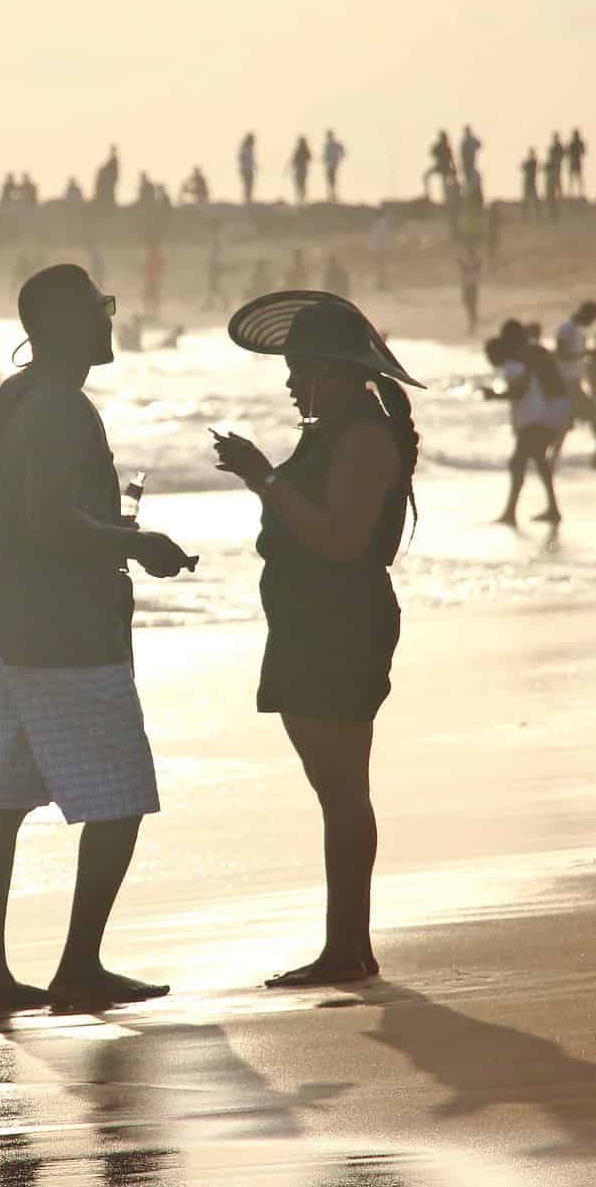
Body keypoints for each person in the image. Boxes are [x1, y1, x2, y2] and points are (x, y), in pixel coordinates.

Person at [0, 264, 196, 1016]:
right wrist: (135, 538)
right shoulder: (63, 409)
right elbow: (50, 521)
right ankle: (78, 967)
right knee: (121, 794)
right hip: (60, 634)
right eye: (100, 308)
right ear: (60, 326)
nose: (109, 319)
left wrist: (78, 532)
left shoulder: (3, 403)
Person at [213, 293, 424, 986]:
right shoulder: (335, 427)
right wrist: (266, 478)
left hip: (339, 625)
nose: (290, 380)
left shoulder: (362, 435)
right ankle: (350, 946)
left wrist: (260, 476)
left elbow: (341, 538)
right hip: (318, 623)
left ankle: (346, 948)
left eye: (299, 367)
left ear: (333, 370)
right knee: (341, 790)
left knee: (341, 792)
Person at [483, 320, 570, 525]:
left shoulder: (524, 356)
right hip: (553, 410)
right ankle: (552, 509)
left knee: (518, 462)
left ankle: (510, 513)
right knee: (539, 459)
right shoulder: (531, 352)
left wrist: (495, 396)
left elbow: (521, 390)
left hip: (545, 413)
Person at [554, 300, 596, 464]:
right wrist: (586, 353)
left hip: (574, 382)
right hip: (566, 382)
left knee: (565, 423)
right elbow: (561, 354)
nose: (592, 322)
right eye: (592, 318)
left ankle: (552, 458)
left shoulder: (579, 332)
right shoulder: (566, 329)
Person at [458, 248, 482, 335]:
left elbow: (469, 270)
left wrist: (462, 265)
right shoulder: (474, 262)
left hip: (470, 285)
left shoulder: (474, 262)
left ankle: (472, 324)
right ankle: (473, 321)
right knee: (468, 304)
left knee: (470, 305)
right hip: (469, 285)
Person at [323, 129, 347, 202]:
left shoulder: (333, 144)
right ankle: (331, 195)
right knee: (331, 179)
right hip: (330, 164)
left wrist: (339, 158)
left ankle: (332, 195)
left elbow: (343, 152)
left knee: (331, 179)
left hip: (333, 164)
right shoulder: (329, 144)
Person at [289, 136, 313, 206]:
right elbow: (293, 160)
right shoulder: (302, 150)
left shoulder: (303, 150)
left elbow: (309, 158)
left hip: (301, 168)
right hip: (301, 168)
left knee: (300, 184)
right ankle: (301, 199)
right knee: (300, 184)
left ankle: (301, 199)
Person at [520, 149, 540, 220]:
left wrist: (524, 163)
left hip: (530, 182)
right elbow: (523, 167)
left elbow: (523, 167)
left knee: (531, 199)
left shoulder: (533, 161)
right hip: (530, 182)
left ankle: (528, 215)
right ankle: (526, 215)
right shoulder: (533, 161)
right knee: (529, 199)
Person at [238, 132, 257, 206]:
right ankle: (247, 201)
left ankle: (248, 200)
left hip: (248, 169)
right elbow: (242, 158)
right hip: (246, 169)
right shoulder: (245, 148)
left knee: (249, 185)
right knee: (247, 185)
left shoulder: (248, 148)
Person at [567, 128, 587, 198]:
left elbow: (583, 152)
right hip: (574, 162)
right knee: (573, 179)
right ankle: (572, 193)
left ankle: (579, 193)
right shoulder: (572, 143)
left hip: (576, 162)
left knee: (577, 179)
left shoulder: (575, 143)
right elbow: (567, 153)